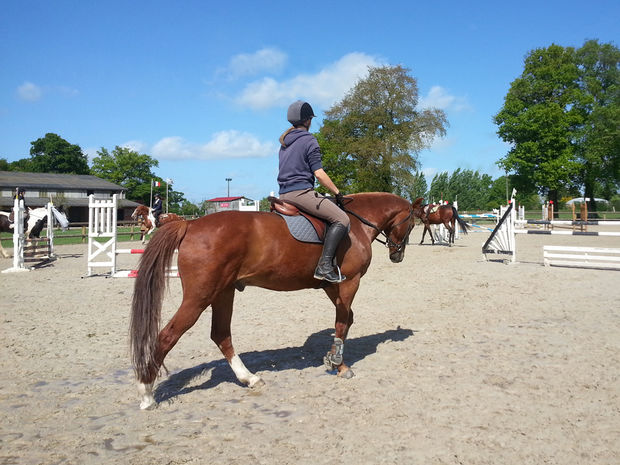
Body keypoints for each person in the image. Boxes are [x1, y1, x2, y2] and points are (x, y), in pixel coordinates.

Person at [278, 100, 350, 283]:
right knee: (342, 218)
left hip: (284, 194)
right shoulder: (309, 140)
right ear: (308, 120)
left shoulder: (285, 141)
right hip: (301, 193)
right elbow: (319, 173)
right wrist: (337, 192)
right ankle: (325, 266)